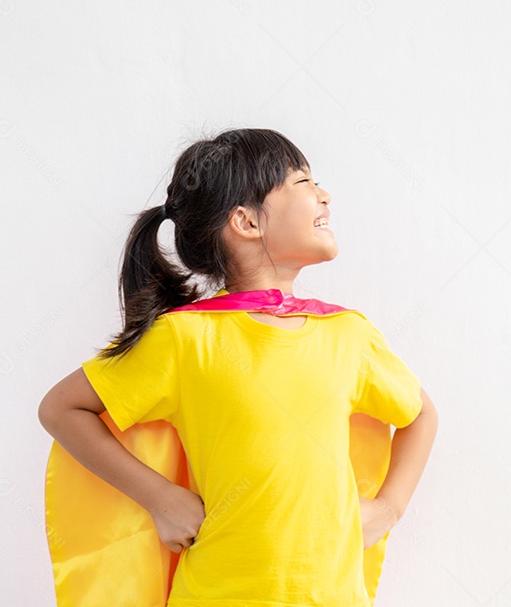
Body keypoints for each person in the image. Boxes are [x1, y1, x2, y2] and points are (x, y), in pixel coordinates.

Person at [38, 127, 438, 606]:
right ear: (247, 222)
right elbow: (61, 409)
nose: (324, 195)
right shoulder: (185, 339)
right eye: (303, 182)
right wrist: (161, 499)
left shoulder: (349, 336)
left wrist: (389, 509)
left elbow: (419, 415)